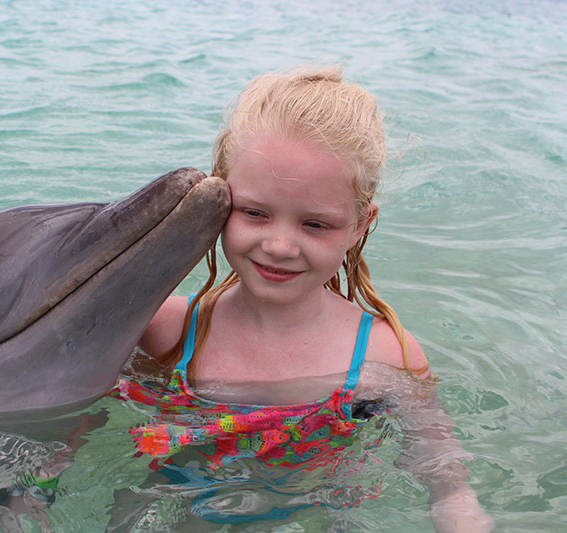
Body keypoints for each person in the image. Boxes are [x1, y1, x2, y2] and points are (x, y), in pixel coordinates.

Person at [124, 66, 494, 532]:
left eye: (315, 224)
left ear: (360, 224)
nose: (280, 246)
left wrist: (459, 512)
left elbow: (447, 479)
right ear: (218, 199)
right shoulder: (164, 330)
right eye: (255, 213)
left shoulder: (385, 355)